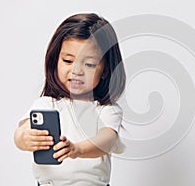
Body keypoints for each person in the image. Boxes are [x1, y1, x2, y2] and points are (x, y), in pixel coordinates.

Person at [14, 13, 126, 186]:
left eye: (89, 64)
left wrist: (77, 149)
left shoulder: (106, 109)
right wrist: (24, 138)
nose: (76, 71)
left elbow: (107, 139)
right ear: (55, 60)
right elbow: (22, 130)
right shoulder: (47, 104)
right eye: (68, 60)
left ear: (105, 70)